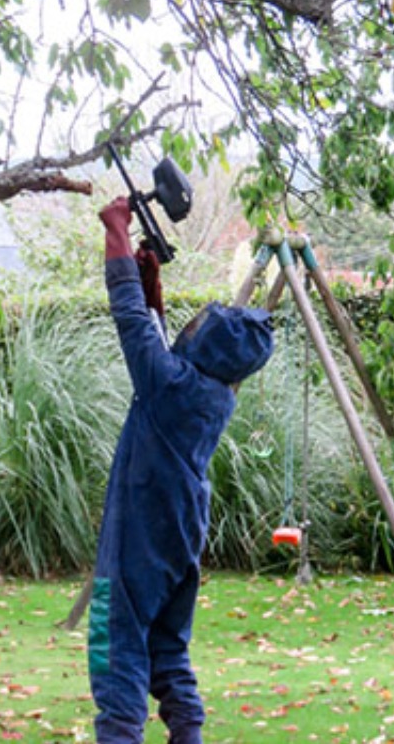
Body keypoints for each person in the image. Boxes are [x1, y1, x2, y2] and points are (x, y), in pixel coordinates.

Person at [88, 197, 274, 743]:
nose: (190, 328)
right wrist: (155, 288)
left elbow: (128, 318)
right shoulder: (210, 393)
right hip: (181, 537)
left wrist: (116, 230)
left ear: (203, 344)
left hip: (140, 537)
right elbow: (156, 343)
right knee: (166, 645)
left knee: (113, 641)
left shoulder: (168, 385)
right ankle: (187, 732)